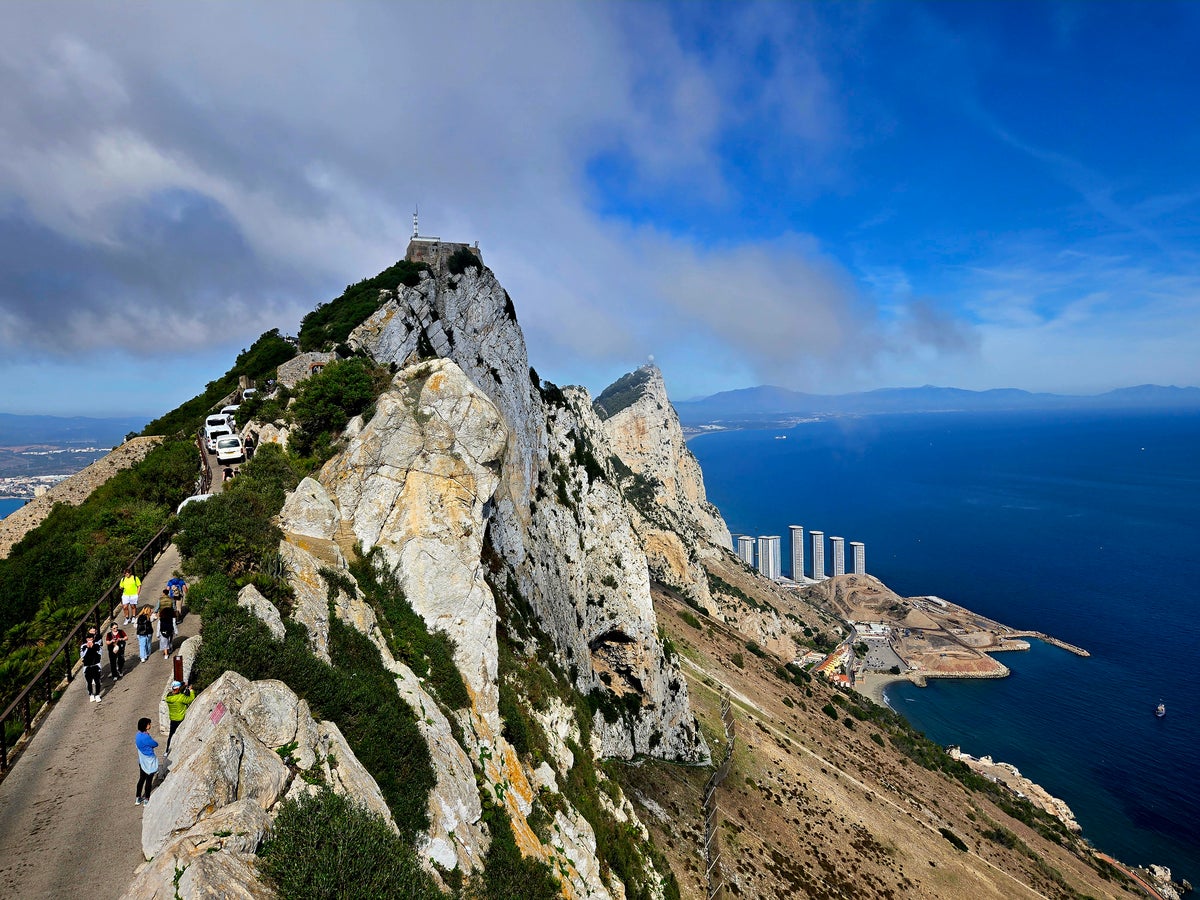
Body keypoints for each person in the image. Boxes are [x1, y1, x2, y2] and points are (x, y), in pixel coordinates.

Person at [164, 681, 195, 753]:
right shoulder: (181, 697)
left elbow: (177, 691)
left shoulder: (168, 696)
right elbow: (191, 699)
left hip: (173, 719)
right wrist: (191, 690)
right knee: (181, 735)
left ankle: (167, 750)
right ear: (178, 688)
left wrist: (184, 685)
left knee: (171, 735)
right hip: (180, 719)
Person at [135, 717, 158, 805]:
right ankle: (146, 798)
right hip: (149, 761)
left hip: (141, 760)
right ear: (145, 726)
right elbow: (155, 744)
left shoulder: (138, 735)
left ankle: (138, 797)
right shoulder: (146, 737)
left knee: (141, 779)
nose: (150, 725)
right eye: (149, 724)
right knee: (149, 780)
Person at [80, 634, 104, 702]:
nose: (90, 640)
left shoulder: (97, 645)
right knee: (89, 682)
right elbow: (82, 656)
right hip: (87, 666)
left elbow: (99, 653)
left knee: (97, 681)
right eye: (88, 638)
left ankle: (97, 694)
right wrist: (87, 648)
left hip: (96, 665)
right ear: (86, 639)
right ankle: (91, 694)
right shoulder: (83, 646)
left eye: (91, 638)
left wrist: (92, 647)